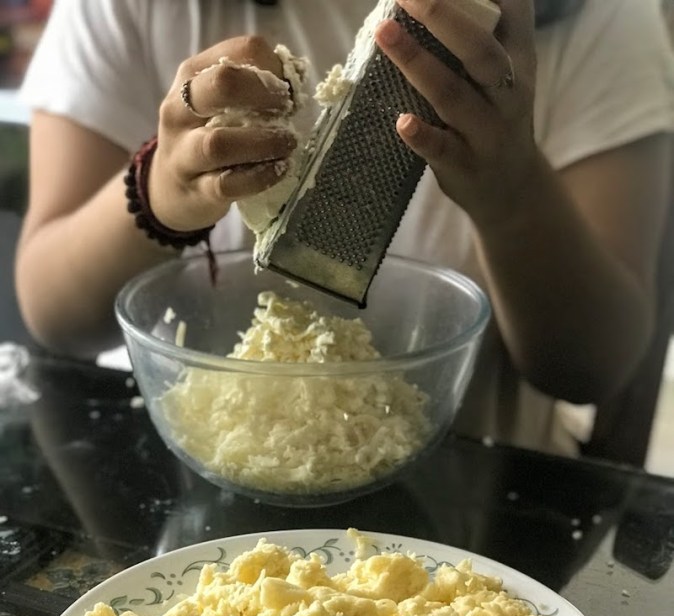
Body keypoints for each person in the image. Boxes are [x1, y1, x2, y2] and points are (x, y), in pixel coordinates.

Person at [14, 0, 674, 456]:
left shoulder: (601, 14)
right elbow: (55, 313)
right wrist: (165, 192)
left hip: (474, 501)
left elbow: (595, 365)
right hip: (185, 471)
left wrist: (512, 193)